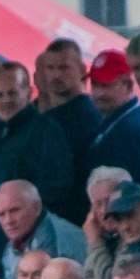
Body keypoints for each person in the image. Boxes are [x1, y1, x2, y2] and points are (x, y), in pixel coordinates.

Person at [0, 62, 77, 269]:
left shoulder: (45, 132)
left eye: (12, 93)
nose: (6, 100)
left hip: (27, 255)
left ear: (28, 92)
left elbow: (56, 191)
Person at [37, 39, 102, 221]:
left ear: (81, 70)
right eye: (50, 68)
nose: (56, 75)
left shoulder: (90, 118)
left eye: (63, 68)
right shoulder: (45, 120)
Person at [0, 180, 83, 279]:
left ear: (37, 208)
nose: (8, 221)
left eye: (15, 210)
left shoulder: (64, 241)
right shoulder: (15, 243)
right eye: (1, 215)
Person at [84, 50, 140, 185]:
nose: (99, 93)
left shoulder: (133, 128)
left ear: (128, 86)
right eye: (95, 85)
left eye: (106, 85)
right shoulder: (113, 120)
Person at [84, 177, 140, 279]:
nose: (125, 226)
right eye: (119, 219)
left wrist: (96, 243)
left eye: (130, 215)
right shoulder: (126, 242)